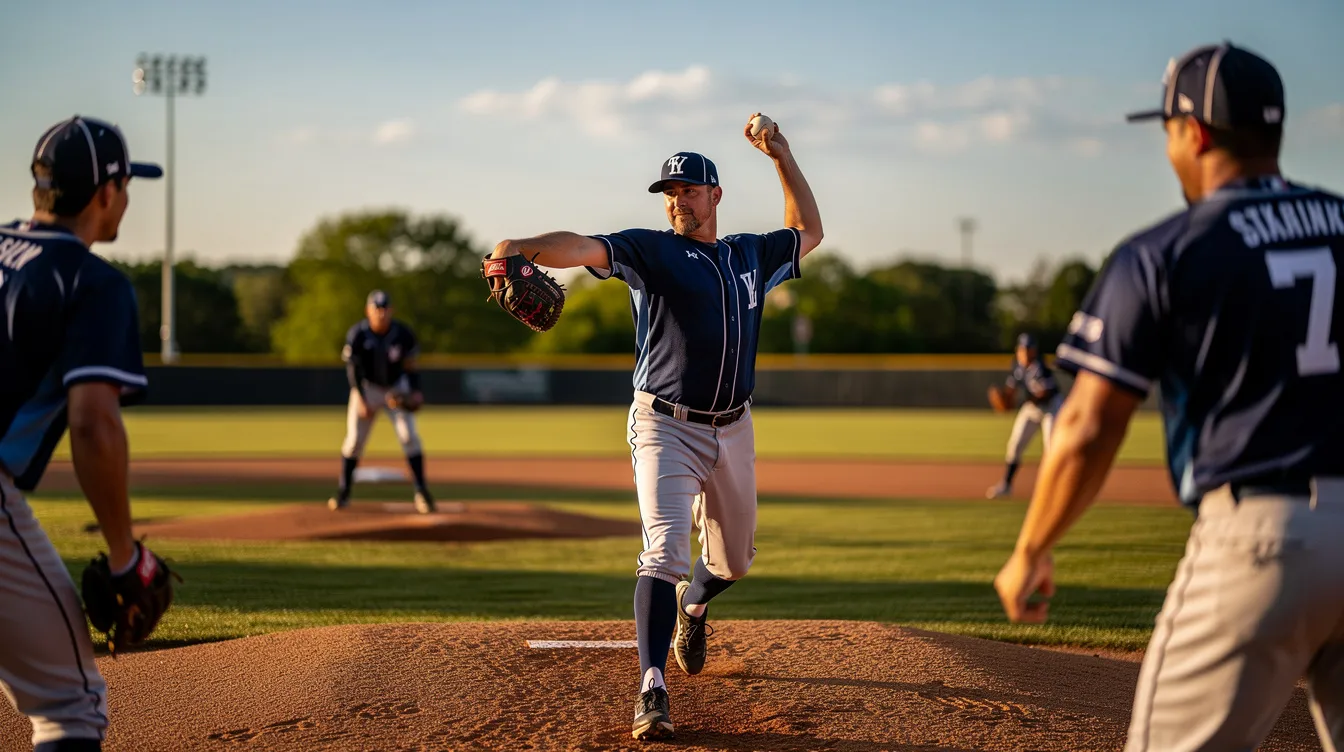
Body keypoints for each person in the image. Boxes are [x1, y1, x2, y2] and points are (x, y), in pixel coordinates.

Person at [993, 42, 1344, 751]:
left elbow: (1090, 427)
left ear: (1196, 132)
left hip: (1262, 543)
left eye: (1168, 129)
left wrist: (1031, 546)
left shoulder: (1165, 251)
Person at [487, 113, 822, 741]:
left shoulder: (750, 256)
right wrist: (521, 249)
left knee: (734, 562)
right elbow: (582, 246)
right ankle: (652, 687)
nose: (677, 201)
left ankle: (692, 606)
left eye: (688, 191)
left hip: (734, 426)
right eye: (669, 193)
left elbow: (808, 229)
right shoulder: (652, 250)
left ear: (715, 195)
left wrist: (780, 153)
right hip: (664, 425)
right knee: (664, 548)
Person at [0, 116, 165, 750]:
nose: (126, 198)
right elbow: (93, 424)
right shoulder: (91, 282)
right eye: (126, 185)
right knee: (70, 706)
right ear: (105, 192)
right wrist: (124, 559)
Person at [328, 290, 435, 514]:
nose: (381, 313)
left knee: (409, 437)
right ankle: (343, 492)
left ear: (391, 310)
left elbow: (411, 365)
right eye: (377, 309)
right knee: (354, 441)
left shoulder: (402, 333)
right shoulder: (358, 334)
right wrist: (360, 398)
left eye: (385, 308)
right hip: (367, 388)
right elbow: (353, 369)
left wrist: (415, 391)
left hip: (396, 388)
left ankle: (422, 492)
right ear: (368, 311)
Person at [986, 333, 1062, 499]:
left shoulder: (1040, 367)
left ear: (1035, 351)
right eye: (1023, 349)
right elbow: (1011, 391)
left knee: (1051, 449)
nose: (1026, 353)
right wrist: (1004, 399)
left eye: (1029, 349)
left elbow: (1046, 394)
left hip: (1051, 408)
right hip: (1031, 407)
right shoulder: (1017, 367)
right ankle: (1006, 485)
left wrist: (1021, 399)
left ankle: (1052, 490)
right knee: (1015, 445)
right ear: (1017, 351)